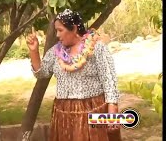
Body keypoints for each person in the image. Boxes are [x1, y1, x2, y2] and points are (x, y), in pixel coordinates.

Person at [26, 9, 122, 141]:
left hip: (93, 109)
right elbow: (41, 74)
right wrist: (34, 52)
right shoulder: (55, 52)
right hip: (63, 114)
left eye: (60, 30)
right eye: (56, 31)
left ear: (74, 28)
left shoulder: (96, 47)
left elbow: (109, 80)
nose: (57, 35)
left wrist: (112, 111)